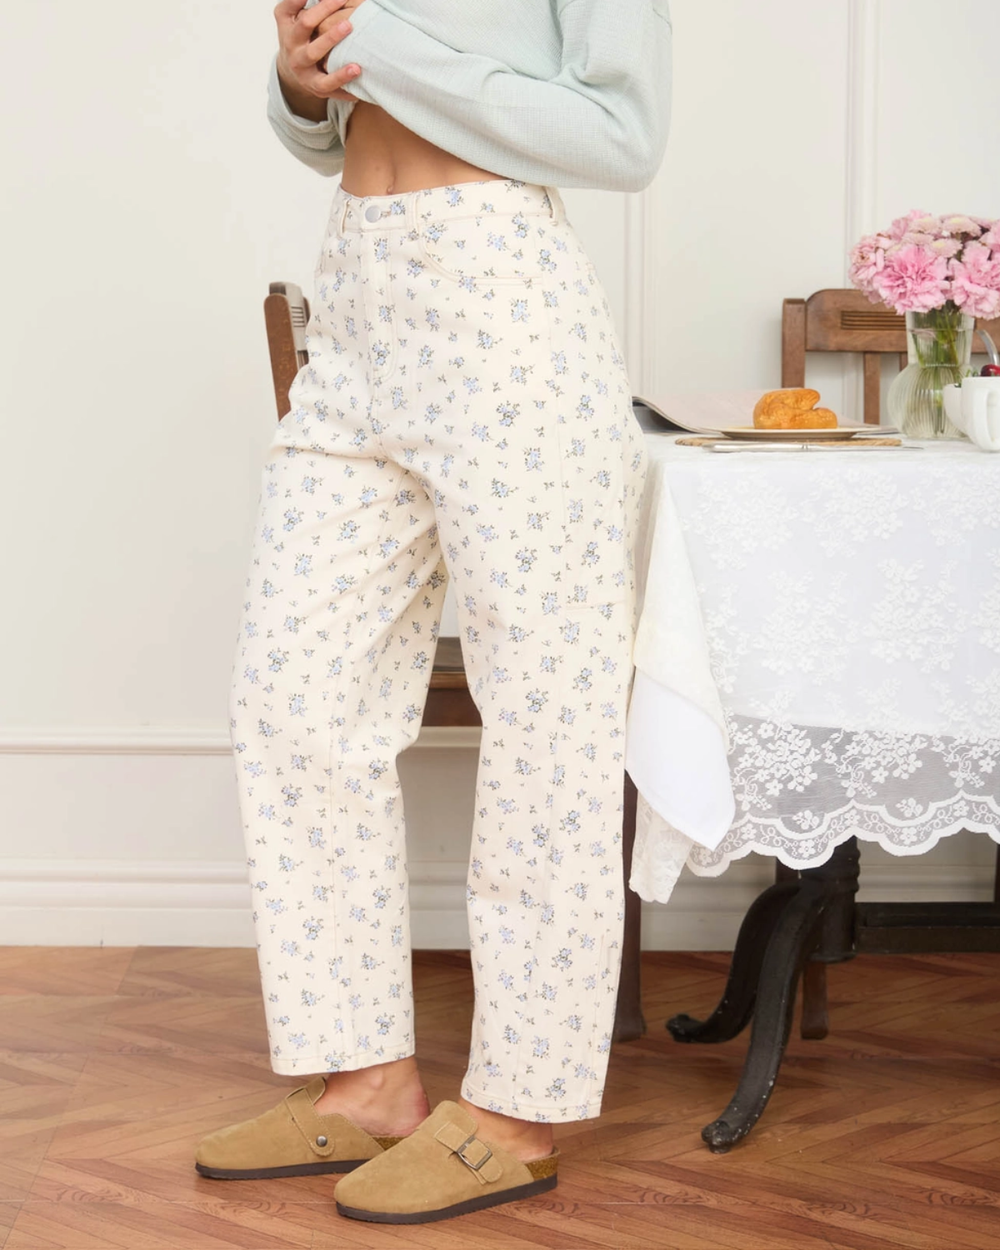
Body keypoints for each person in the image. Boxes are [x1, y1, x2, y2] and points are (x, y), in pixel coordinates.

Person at [195, 0, 672, 1224]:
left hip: (504, 302)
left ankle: (519, 1104)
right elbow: (337, 127)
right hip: (356, 290)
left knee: (547, 716)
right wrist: (303, 84)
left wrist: (386, 43)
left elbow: (622, 135)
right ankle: (364, 1077)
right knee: (294, 696)